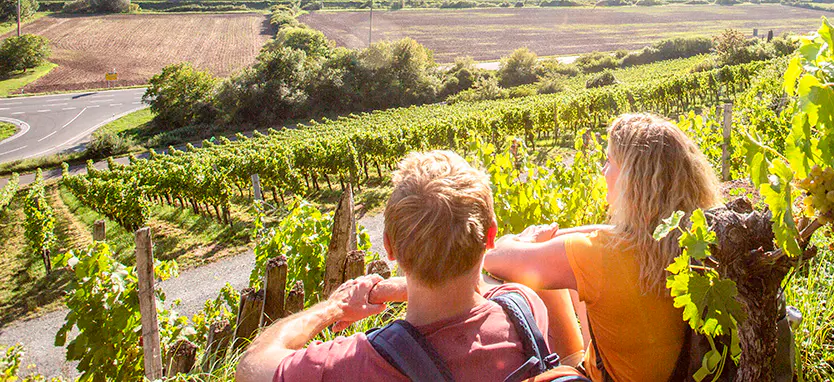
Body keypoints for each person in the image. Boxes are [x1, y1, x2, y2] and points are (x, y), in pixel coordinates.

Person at [236, 150, 551, 382]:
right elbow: (486, 288)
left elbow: (252, 367)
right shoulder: (524, 310)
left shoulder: (349, 366)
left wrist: (334, 307)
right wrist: (382, 292)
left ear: (388, 246)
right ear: (491, 235)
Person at [484, 113, 722, 382]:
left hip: (605, 377)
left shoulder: (599, 256)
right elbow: (612, 233)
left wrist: (524, 240)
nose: (602, 170)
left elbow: (493, 257)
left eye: (609, 161)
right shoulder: (693, 237)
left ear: (633, 180)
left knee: (525, 283)